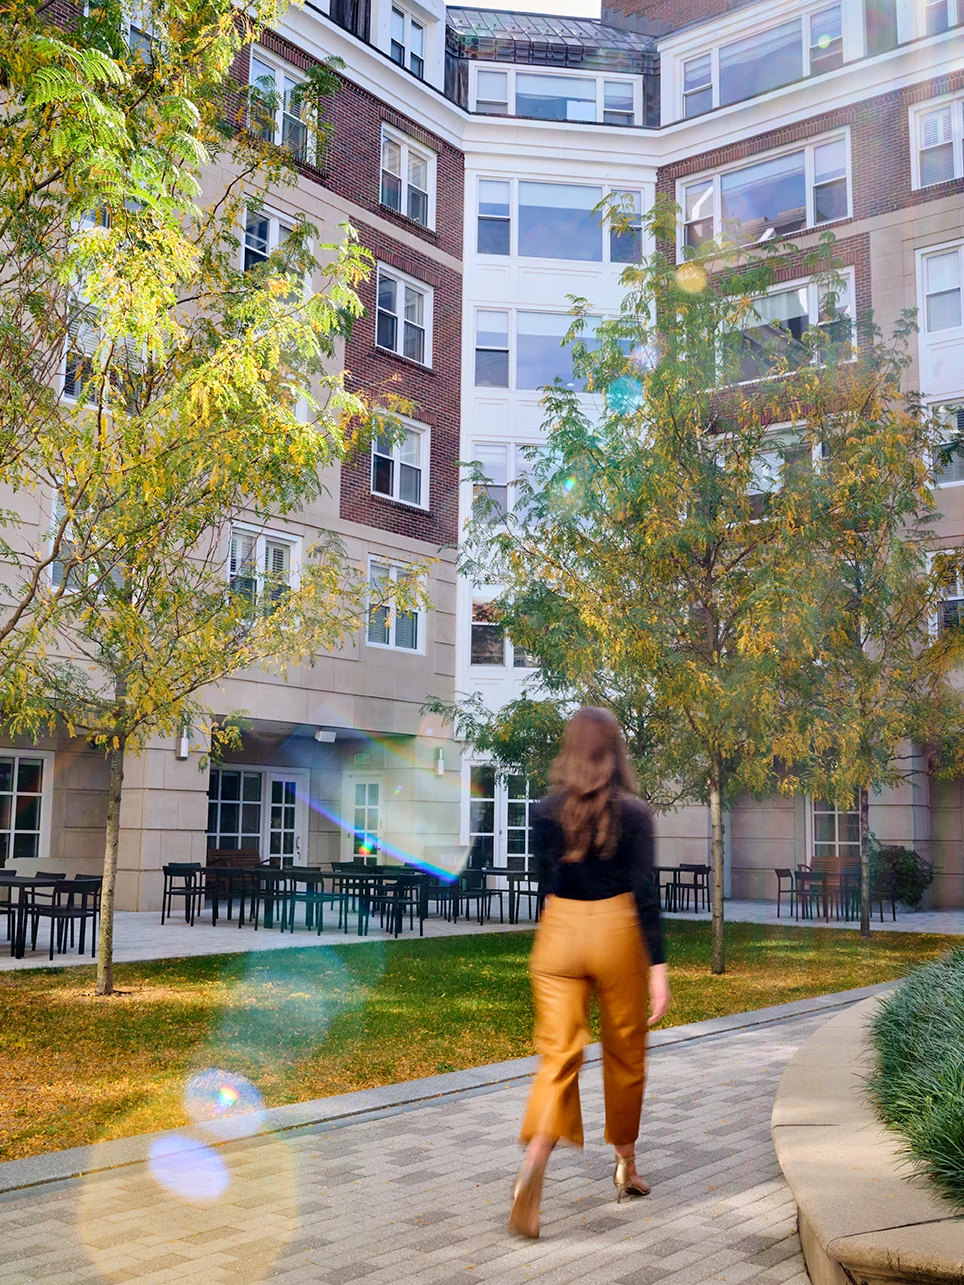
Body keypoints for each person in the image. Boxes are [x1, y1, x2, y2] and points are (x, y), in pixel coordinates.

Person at [509, 706, 670, 1240]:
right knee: (625, 1050)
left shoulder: (544, 810)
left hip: (557, 934)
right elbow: (646, 895)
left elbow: (544, 885)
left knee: (559, 1054)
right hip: (615, 930)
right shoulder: (635, 814)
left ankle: (536, 1155)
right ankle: (626, 1164)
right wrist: (659, 968)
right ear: (616, 749)